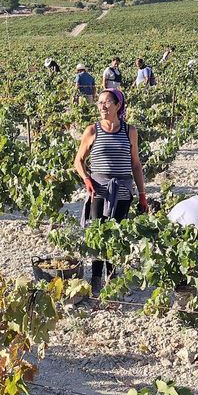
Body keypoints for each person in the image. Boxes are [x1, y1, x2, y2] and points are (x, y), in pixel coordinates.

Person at [72, 88, 148, 293]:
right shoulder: (92, 130)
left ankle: (112, 278)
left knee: (117, 232)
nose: (102, 106)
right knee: (97, 232)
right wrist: (86, 178)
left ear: (118, 105)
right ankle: (96, 278)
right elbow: (78, 161)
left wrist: (142, 194)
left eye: (106, 102)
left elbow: (135, 164)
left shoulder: (129, 131)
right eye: (99, 102)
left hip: (122, 190)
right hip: (98, 189)